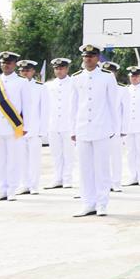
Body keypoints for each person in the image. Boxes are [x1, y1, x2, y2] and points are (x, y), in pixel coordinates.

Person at [69, 45, 121, 217]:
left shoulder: (107, 77)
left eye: (91, 56)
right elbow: (73, 106)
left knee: (101, 168)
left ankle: (102, 203)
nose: (88, 59)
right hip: (82, 128)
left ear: (98, 58)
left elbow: (113, 104)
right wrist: (73, 128)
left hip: (101, 128)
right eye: (85, 56)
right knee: (85, 169)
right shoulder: (76, 78)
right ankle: (88, 203)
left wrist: (115, 128)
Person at [16, 59, 48, 196]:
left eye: (27, 70)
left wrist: (43, 130)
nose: (24, 73)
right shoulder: (15, 86)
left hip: (34, 128)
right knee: (21, 159)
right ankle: (24, 184)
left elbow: (44, 110)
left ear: (33, 72)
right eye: (22, 70)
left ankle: (34, 185)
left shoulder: (40, 87)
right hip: (18, 129)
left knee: (34, 159)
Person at [44, 57, 76, 189]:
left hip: (68, 123)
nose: (59, 70)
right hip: (53, 123)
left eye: (61, 68)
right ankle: (57, 178)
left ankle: (67, 178)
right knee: (56, 153)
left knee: (68, 153)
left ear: (67, 69)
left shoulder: (74, 83)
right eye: (56, 68)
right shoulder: (48, 85)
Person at [102, 62, 125, 192]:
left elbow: (125, 111)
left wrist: (123, 129)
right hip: (101, 127)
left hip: (115, 128)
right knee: (102, 158)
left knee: (115, 157)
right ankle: (104, 182)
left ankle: (116, 182)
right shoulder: (98, 87)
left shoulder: (121, 89)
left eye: (111, 72)